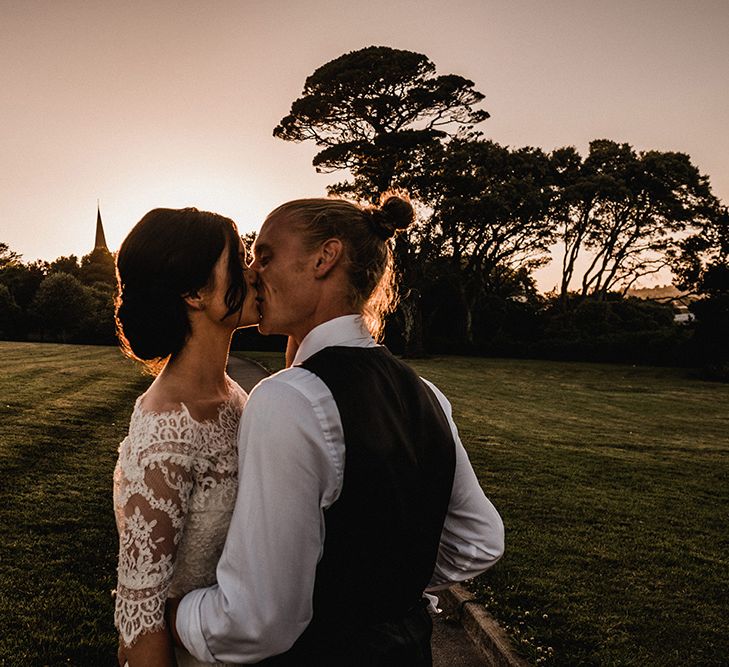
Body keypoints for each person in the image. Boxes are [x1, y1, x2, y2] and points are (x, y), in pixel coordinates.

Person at [172, 194, 505, 665]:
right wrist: (385, 589)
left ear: (325, 258)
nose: (252, 274)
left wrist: (170, 615)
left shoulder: (289, 399)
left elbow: (256, 621)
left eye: (264, 256)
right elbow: (480, 540)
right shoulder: (427, 392)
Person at [113, 207, 258, 666]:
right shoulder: (165, 434)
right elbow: (140, 618)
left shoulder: (234, 397)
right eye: (240, 260)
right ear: (195, 293)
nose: (255, 272)